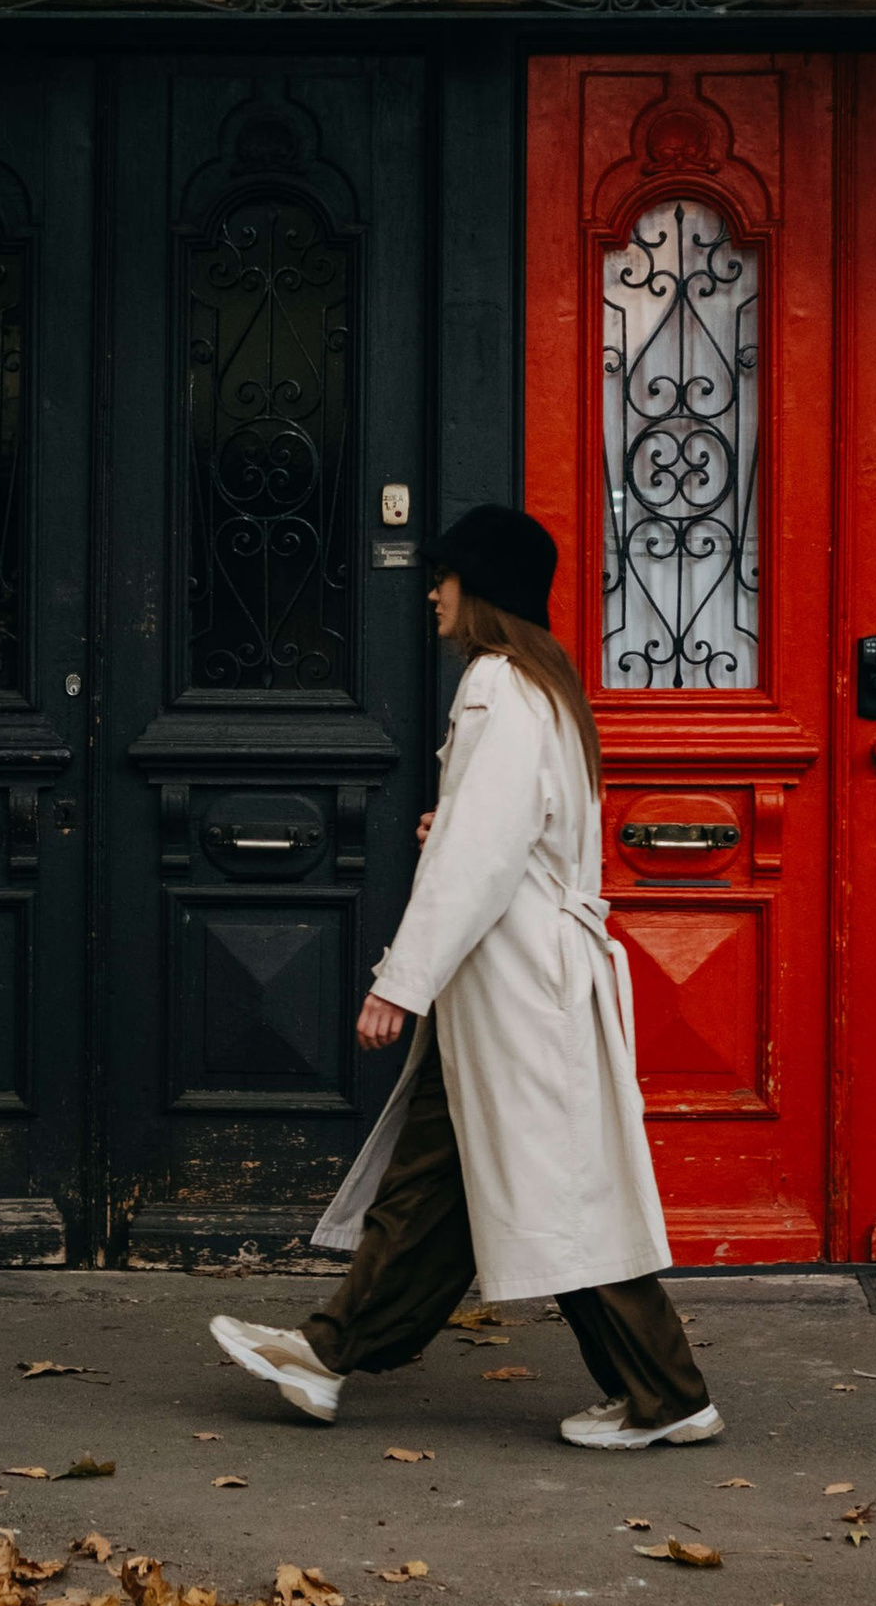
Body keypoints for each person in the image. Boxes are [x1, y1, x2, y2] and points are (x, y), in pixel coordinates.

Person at [210, 504, 721, 1450]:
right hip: (519, 987)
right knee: (439, 1187)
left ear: (480, 589)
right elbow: (512, 836)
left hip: (518, 987)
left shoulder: (496, 682)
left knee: (558, 1197)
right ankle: (326, 1356)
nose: (433, 593)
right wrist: (454, 832)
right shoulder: (544, 688)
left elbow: (480, 859)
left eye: (444, 576)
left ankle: (669, 1394)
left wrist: (399, 981)